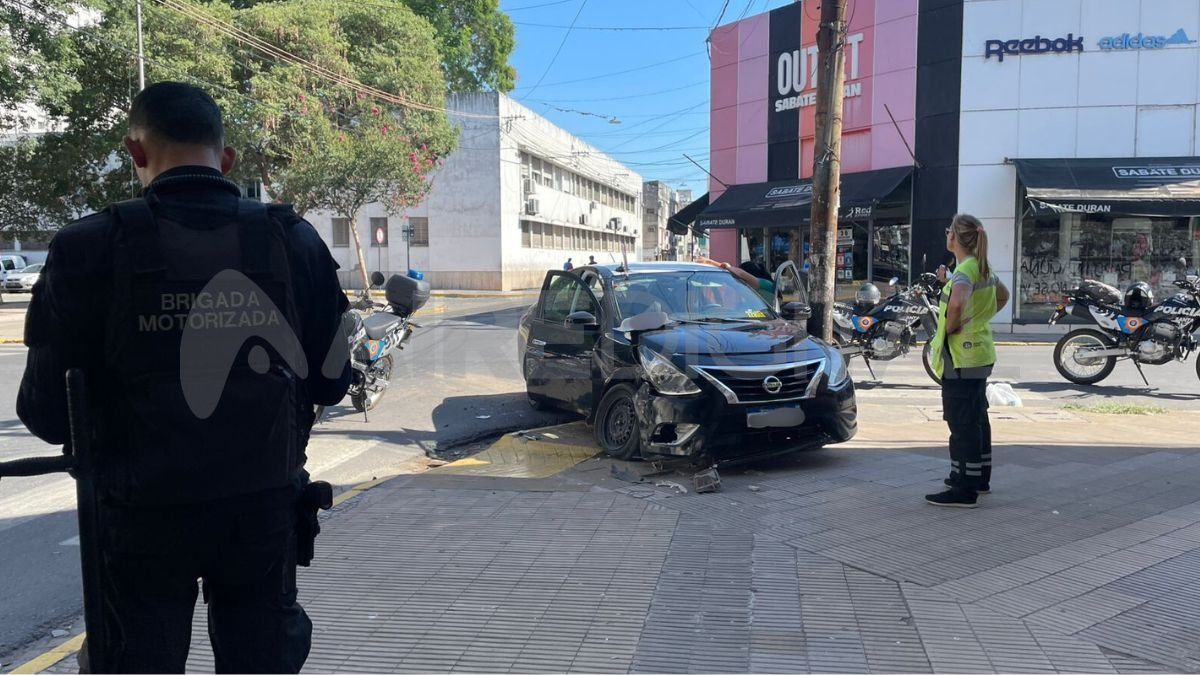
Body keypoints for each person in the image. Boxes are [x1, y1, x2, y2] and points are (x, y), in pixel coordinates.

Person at [17, 82, 351, 672]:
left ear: (135, 152)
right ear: (227, 159)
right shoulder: (292, 238)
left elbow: (46, 415)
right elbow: (332, 381)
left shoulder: (86, 247)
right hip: (262, 516)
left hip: (140, 523)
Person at [925, 213, 1009, 508]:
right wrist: (979, 318)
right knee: (976, 417)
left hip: (962, 356)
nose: (946, 233)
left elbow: (958, 301)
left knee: (961, 422)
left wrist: (952, 326)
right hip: (979, 352)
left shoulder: (965, 271)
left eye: (949, 230)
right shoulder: (980, 266)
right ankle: (977, 478)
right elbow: (1003, 296)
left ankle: (965, 488)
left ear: (954, 237)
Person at [696, 255, 775, 303]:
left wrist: (711, 262)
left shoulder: (766, 285)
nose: (739, 280)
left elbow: (740, 274)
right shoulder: (749, 291)